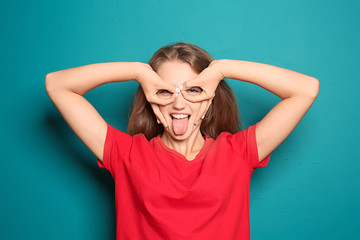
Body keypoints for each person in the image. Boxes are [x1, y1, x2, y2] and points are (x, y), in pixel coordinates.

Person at [45, 42, 319, 240]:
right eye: (165, 91)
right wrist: (139, 72)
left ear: (209, 99)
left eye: (193, 90)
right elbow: (57, 85)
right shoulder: (125, 154)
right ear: (152, 101)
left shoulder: (239, 152)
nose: (179, 102)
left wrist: (222, 69)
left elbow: (305, 90)